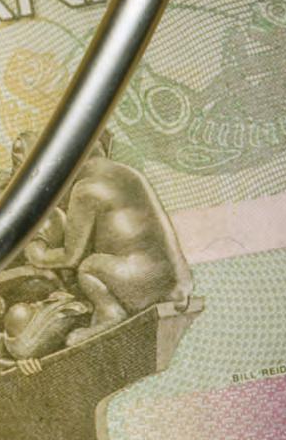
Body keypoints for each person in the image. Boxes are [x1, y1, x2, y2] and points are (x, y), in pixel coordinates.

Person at [24, 146, 194, 345]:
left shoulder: (85, 189)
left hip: (137, 283)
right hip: (170, 280)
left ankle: (110, 315)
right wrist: (182, 281)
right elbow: (162, 228)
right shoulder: (129, 173)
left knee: (88, 266)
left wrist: (40, 256)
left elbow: (72, 257)